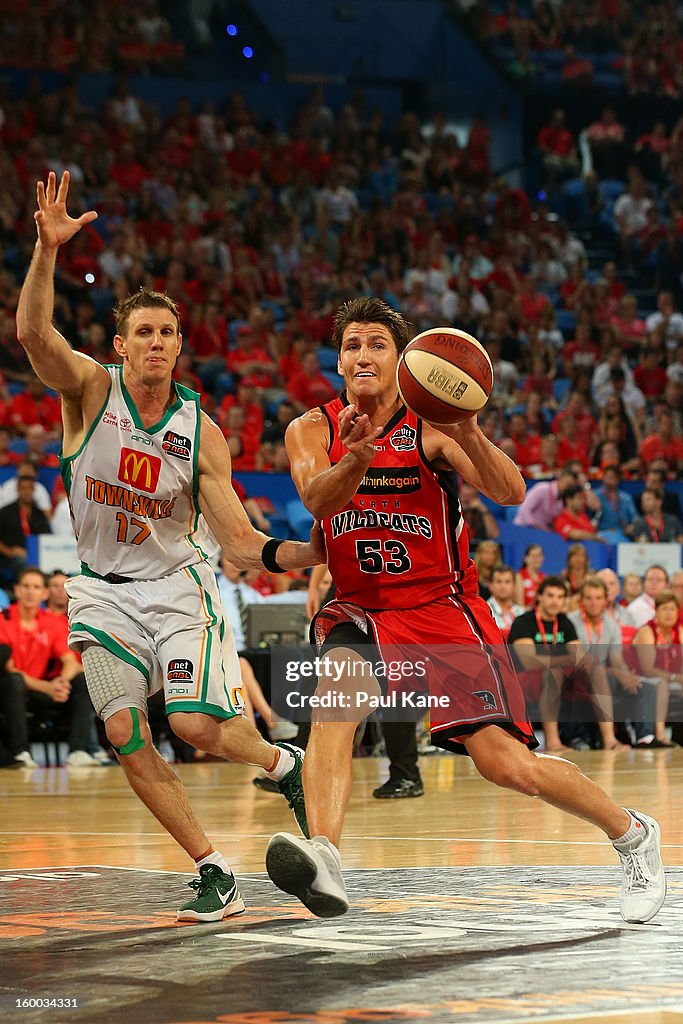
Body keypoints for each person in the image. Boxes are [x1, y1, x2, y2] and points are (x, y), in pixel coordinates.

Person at [265, 296, 664, 925]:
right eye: (353, 345)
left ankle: (632, 834)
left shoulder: (432, 426)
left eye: (377, 344)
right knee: (333, 706)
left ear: (402, 361)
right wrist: (357, 458)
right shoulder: (312, 428)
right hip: (360, 607)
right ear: (339, 360)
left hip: (443, 610)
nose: (363, 355)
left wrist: (469, 428)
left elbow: (512, 491)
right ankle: (326, 856)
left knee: (507, 766)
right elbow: (318, 500)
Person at [16, 171, 324, 922]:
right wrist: (47, 252)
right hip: (98, 593)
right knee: (125, 733)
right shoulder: (88, 391)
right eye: (142, 333)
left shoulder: (201, 432)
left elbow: (241, 543)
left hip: (178, 590)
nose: (155, 343)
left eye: (167, 333)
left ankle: (286, 764)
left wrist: (317, 552)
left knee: (191, 726)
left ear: (180, 348)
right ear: (120, 346)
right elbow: (32, 334)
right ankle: (214, 870)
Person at [0, 566, 96, 768]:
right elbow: (9, 668)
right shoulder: (4, 619)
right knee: (13, 681)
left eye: (35, 587)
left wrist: (61, 682)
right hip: (13, 689)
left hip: (45, 689)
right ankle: (21, 752)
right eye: (25, 586)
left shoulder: (52, 621)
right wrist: (48, 688)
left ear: (44, 593)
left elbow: (69, 661)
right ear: (17, 590)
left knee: (81, 678)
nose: (29, 591)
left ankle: (78, 750)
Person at [568, 577, 650, 751]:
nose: (593, 603)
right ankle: (609, 739)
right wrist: (616, 672)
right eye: (589, 598)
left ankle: (645, 739)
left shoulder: (611, 624)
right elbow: (582, 661)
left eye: (598, 598)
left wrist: (628, 676)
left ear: (606, 600)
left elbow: (617, 660)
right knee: (599, 673)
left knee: (644, 686)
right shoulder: (571, 621)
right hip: (574, 675)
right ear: (581, 600)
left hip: (602, 674)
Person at [632, 590, 682, 748]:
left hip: (668, 678)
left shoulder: (679, 632)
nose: (669, 613)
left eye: (672, 609)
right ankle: (660, 735)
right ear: (656, 611)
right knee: (660, 684)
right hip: (639, 678)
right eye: (664, 609)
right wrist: (675, 677)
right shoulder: (647, 632)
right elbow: (647, 669)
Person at [0, 473, 52, 586]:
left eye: (30, 488)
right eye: (23, 488)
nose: (27, 492)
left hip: (37, 555)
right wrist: (10, 551)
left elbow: (47, 537)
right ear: (18, 490)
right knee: (23, 561)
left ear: (34, 490)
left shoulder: (39, 514)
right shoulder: (5, 512)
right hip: (10, 557)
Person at [512, 468, 578, 529]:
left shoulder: (563, 501)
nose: (569, 489)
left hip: (540, 532)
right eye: (568, 485)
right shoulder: (542, 489)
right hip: (523, 527)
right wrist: (534, 525)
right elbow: (524, 509)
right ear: (560, 479)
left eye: (571, 487)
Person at [487, 565, 525, 640]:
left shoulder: (521, 612)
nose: (503, 586)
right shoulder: (483, 611)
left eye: (507, 582)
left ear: (514, 585)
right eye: (499, 582)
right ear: (490, 585)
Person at [627, 565, 670, 630]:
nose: (654, 583)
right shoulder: (634, 608)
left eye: (659, 580)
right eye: (650, 579)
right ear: (644, 583)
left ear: (666, 585)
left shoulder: (671, 606)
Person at [514, 544, 545, 610]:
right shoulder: (519, 577)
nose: (537, 559)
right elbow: (520, 606)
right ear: (526, 558)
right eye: (534, 556)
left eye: (539, 555)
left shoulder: (544, 578)